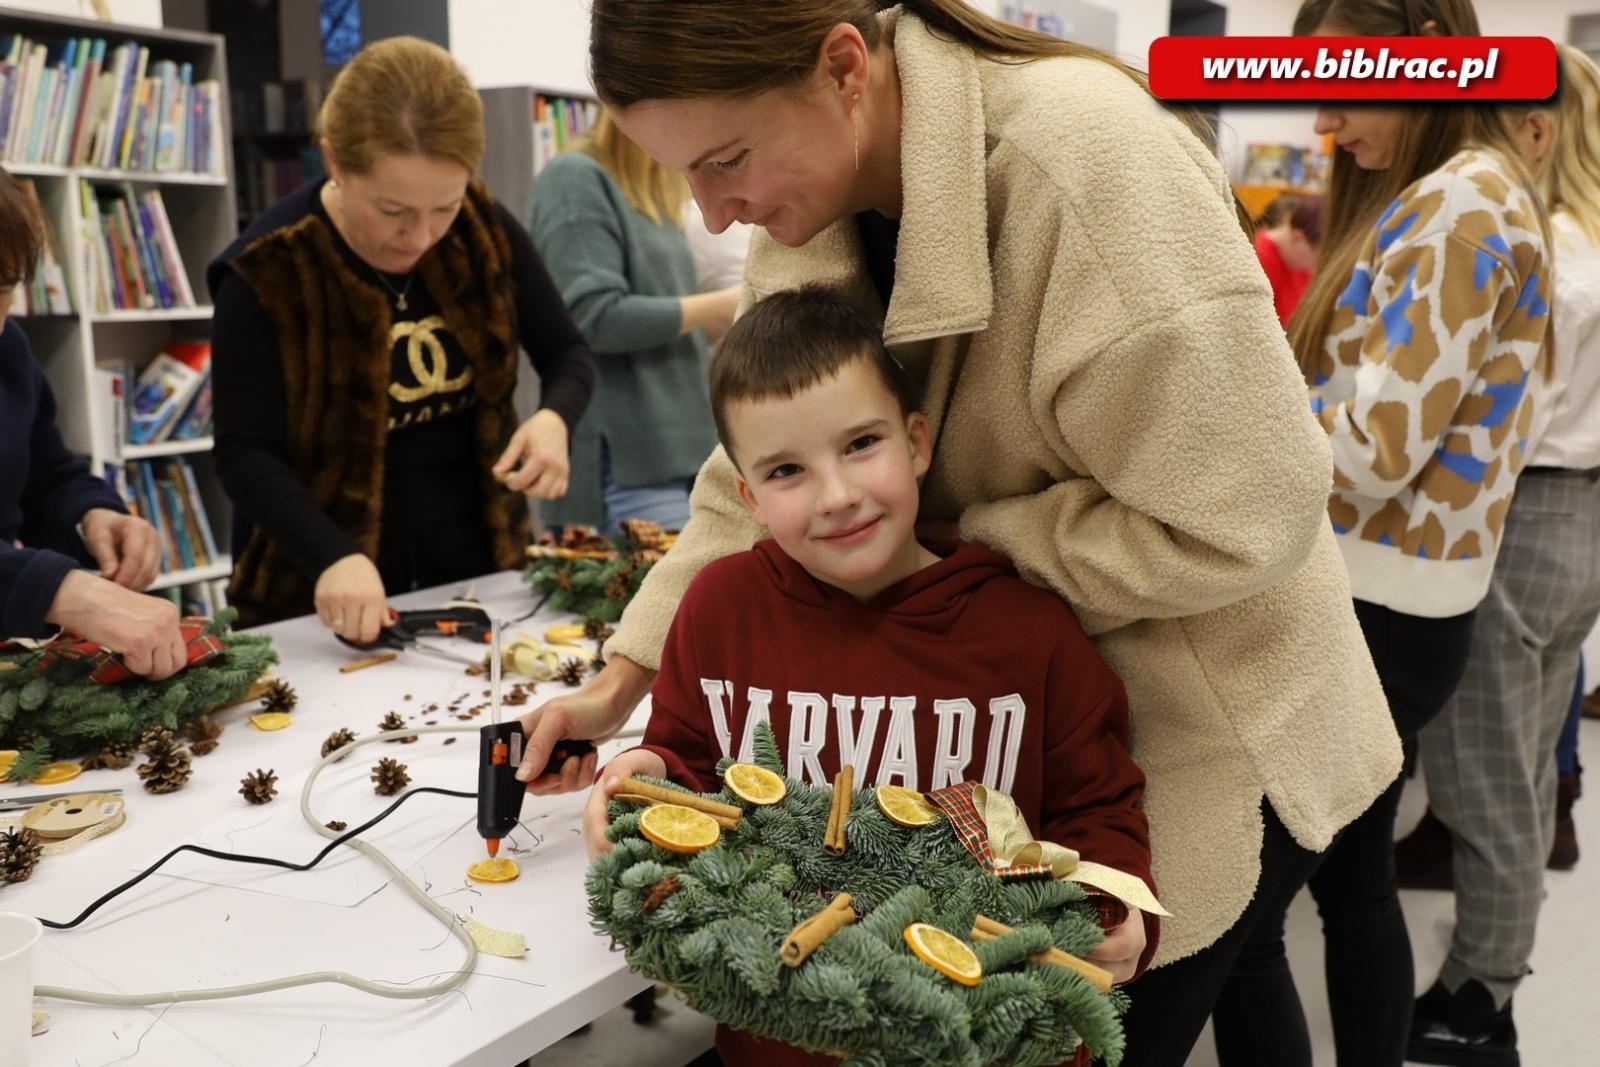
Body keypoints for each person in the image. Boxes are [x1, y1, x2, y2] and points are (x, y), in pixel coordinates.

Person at [517, 3, 1401, 1063]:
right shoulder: (814, 187)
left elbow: (1250, 509)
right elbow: (740, 474)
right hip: (1057, 682)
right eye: (685, 177)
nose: (712, 215)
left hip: (1211, 698)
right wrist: (620, 683)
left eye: (726, 162)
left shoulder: (1086, 160)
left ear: (844, 67)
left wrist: (963, 536)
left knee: (1107, 997)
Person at [582, 286, 1160, 1066]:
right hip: (780, 1040)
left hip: (989, 1040)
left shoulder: (1030, 630)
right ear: (750, 498)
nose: (838, 495)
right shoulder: (721, 611)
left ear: (916, 441)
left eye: (861, 444)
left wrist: (1118, 904)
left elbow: (1099, 806)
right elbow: (685, 757)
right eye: (787, 470)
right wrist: (641, 772)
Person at [1206, 3, 1554, 1066]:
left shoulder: (1459, 204)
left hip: (1373, 609)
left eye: (1339, 86)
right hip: (1399, 604)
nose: (1322, 121)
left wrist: (1241, 407)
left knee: (1241, 918)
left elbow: (1372, 451)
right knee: (1355, 885)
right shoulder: (1462, 192)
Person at [209, 37, 596, 638]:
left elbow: (568, 352)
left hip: (481, 576)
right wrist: (332, 555)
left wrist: (554, 420)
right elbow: (243, 452)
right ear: (334, 161)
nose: (420, 236)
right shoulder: (266, 269)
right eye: (392, 210)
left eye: (444, 207)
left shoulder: (482, 226)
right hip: (315, 592)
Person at [1399, 44, 1600, 1067]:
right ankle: (1493, 974)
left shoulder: (1540, 247)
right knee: (1521, 766)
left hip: (1518, 520)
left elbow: (1486, 409)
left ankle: (1479, 999)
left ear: (1536, 126)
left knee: (1486, 780)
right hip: (1582, 523)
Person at [0, 167, 182, 676]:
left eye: (4, 287)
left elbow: (47, 474)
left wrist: (94, 515)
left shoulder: (9, 351)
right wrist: (61, 590)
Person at [527, 112, 737, 534]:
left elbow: (666, 322)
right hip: (628, 466)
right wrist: (721, 306)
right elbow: (592, 317)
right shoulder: (574, 179)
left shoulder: (649, 189)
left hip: (688, 451)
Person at [1252, 193, 1322, 326]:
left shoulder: (1295, 260)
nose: (1316, 264)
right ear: (1298, 238)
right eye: (1317, 255)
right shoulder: (1258, 260)